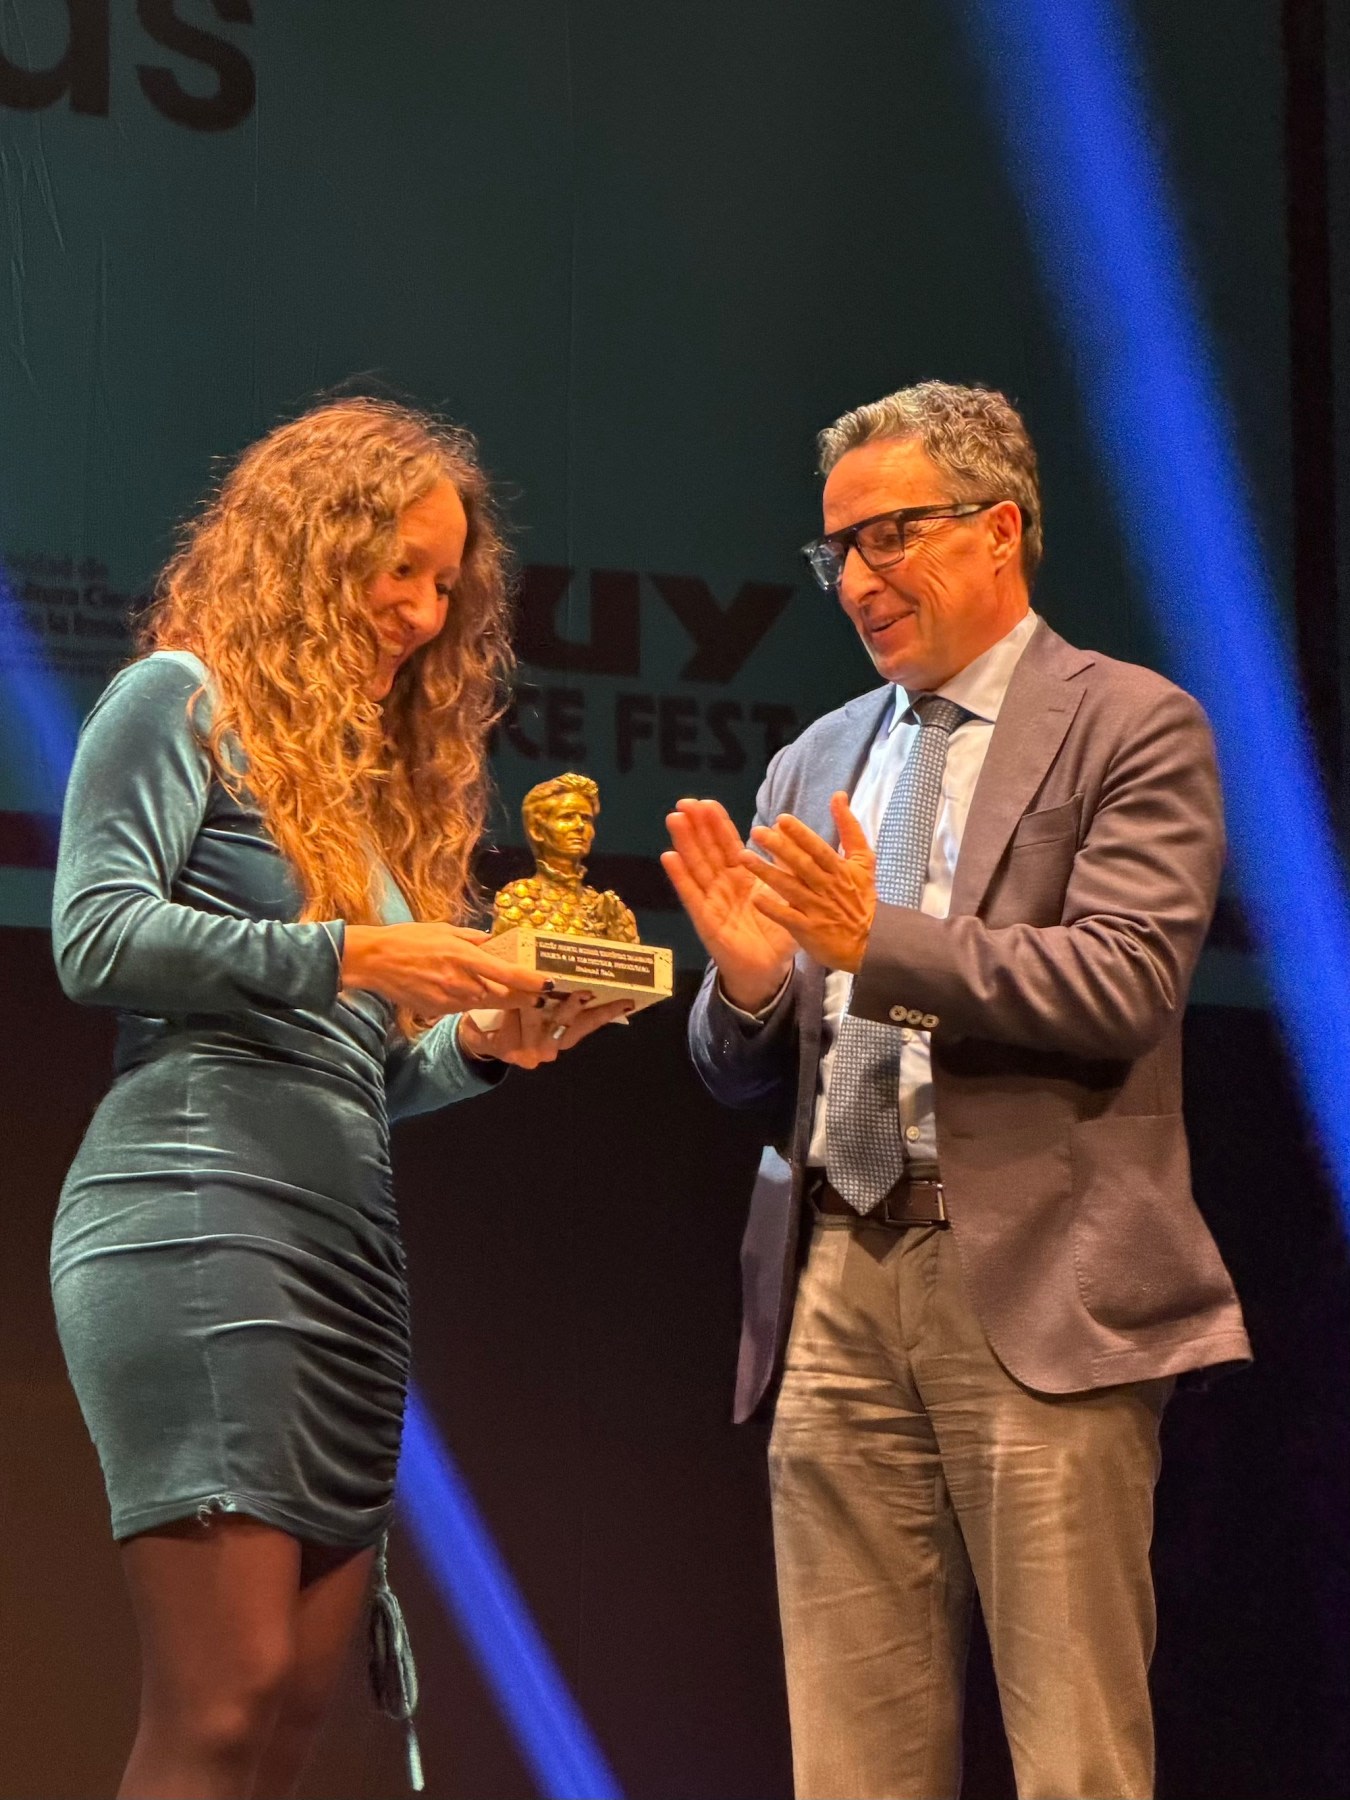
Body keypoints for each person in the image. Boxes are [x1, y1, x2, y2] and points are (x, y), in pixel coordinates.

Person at [665, 381, 1250, 1800]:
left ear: (1000, 529)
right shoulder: (816, 758)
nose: (858, 580)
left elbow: (1121, 983)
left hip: (1038, 1281)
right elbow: (745, 1060)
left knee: (1075, 1762)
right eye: (837, 551)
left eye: (891, 535)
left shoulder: (1129, 724)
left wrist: (877, 946)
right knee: (850, 1769)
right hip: (835, 1275)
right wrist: (749, 989)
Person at [49, 397, 629, 1800]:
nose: (423, 612)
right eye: (399, 569)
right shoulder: (176, 699)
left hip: (343, 1262)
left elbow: (354, 1068)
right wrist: (355, 951)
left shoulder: (358, 801)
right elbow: (95, 935)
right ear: (311, 547)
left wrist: (486, 1042)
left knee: (294, 1714)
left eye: (445, 584)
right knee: (224, 1699)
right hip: (195, 1218)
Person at [492, 772, 638, 941]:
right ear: (537, 830)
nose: (580, 826)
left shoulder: (609, 910)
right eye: (567, 817)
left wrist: (615, 930)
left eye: (586, 818)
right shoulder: (518, 898)